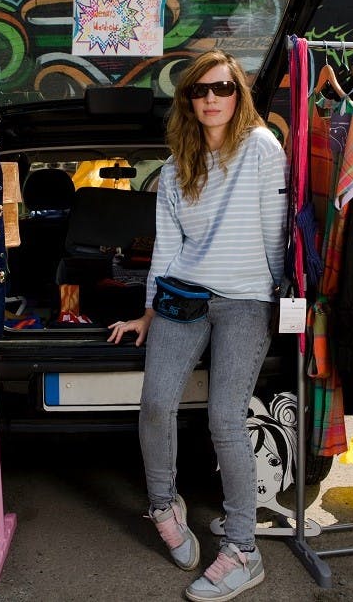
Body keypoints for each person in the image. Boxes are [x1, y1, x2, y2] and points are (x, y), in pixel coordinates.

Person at [108, 49, 288, 601]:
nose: (212, 98)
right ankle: (164, 506)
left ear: (239, 94)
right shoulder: (173, 167)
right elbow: (166, 248)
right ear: (188, 100)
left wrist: (278, 300)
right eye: (200, 91)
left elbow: (274, 230)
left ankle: (242, 551)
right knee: (157, 402)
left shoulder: (261, 148)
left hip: (246, 302)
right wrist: (146, 309)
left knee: (223, 417)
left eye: (223, 88)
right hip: (182, 298)